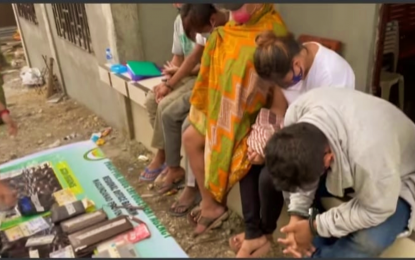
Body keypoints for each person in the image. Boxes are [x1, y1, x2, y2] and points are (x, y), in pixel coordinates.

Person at [231, 31, 356, 257]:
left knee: (270, 175)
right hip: (296, 136)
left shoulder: (330, 74)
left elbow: (322, 137)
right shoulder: (286, 62)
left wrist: (271, 154)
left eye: (283, 82)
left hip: (325, 145)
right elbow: (279, 110)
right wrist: (263, 142)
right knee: (246, 160)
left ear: (297, 64)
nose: (284, 87)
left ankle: (267, 234)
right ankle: (253, 234)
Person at [264, 87, 415, 258]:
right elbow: (298, 174)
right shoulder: (298, 114)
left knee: (369, 241)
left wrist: (315, 226)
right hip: (366, 163)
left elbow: (377, 209)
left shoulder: (368, 154)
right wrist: (297, 216)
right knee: (282, 178)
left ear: (328, 159)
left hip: (402, 178)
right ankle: (312, 250)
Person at [182, 3, 288, 238]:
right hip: (224, 110)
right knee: (190, 137)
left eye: (238, 6)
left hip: (252, 115)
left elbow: (268, 85)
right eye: (230, 8)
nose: (233, 13)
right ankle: (211, 205)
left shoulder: (274, 28)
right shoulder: (233, 26)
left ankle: (252, 230)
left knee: (242, 154)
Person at [155, 4, 229, 213]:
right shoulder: (205, 27)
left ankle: (192, 187)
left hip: (222, 93)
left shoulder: (234, 26)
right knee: (169, 112)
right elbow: (195, 58)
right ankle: (173, 168)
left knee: (190, 125)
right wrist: (169, 83)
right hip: (207, 86)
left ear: (212, 21)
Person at [140, 3, 200, 182]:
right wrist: (165, 81)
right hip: (184, 73)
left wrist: (173, 80)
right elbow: (178, 58)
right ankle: (166, 153)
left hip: (200, 76)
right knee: (152, 99)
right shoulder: (178, 20)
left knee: (165, 105)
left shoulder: (204, 18)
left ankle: (163, 157)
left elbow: (205, 64)